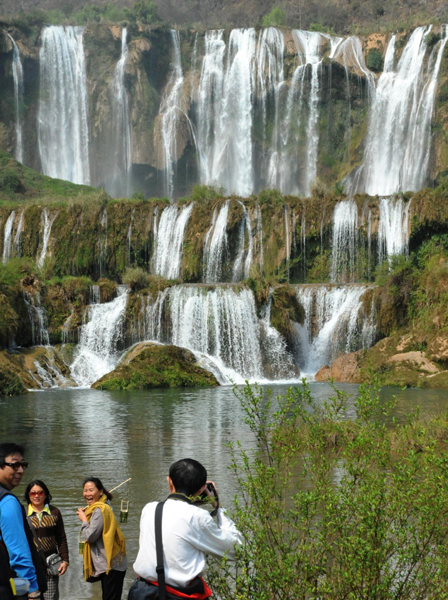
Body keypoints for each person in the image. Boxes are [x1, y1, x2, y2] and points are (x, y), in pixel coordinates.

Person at [129, 458, 242, 599]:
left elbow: (174, 519)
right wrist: (218, 507)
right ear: (202, 488)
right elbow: (235, 551)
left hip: (143, 593)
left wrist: (190, 503)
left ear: (169, 481)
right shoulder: (198, 517)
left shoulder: (149, 509)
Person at [0, 443, 47, 600]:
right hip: (10, 587)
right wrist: (32, 591)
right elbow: (18, 555)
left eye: (23, 465)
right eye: (15, 465)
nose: (21, 470)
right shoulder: (7, 502)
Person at [76, 476, 127, 600]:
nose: (87, 494)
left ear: (100, 491)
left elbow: (90, 536)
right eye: (85, 490)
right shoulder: (104, 504)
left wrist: (84, 519)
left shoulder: (100, 509)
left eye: (91, 490)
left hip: (112, 564)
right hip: (113, 562)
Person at [25, 480, 69, 600]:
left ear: (45, 494)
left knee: (51, 597)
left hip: (51, 564)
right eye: (33, 493)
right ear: (28, 495)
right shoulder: (23, 514)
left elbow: (61, 538)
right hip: (30, 566)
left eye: (40, 492)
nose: (37, 496)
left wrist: (65, 560)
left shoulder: (55, 512)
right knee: (33, 597)